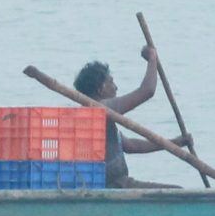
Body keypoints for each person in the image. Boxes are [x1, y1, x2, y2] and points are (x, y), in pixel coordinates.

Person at [76, 46, 185, 188]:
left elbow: (132, 145)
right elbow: (147, 91)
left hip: (117, 182)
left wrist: (175, 143)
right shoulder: (99, 109)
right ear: (100, 89)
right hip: (115, 185)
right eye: (111, 82)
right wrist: (152, 58)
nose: (116, 87)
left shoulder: (97, 115)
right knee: (176, 192)